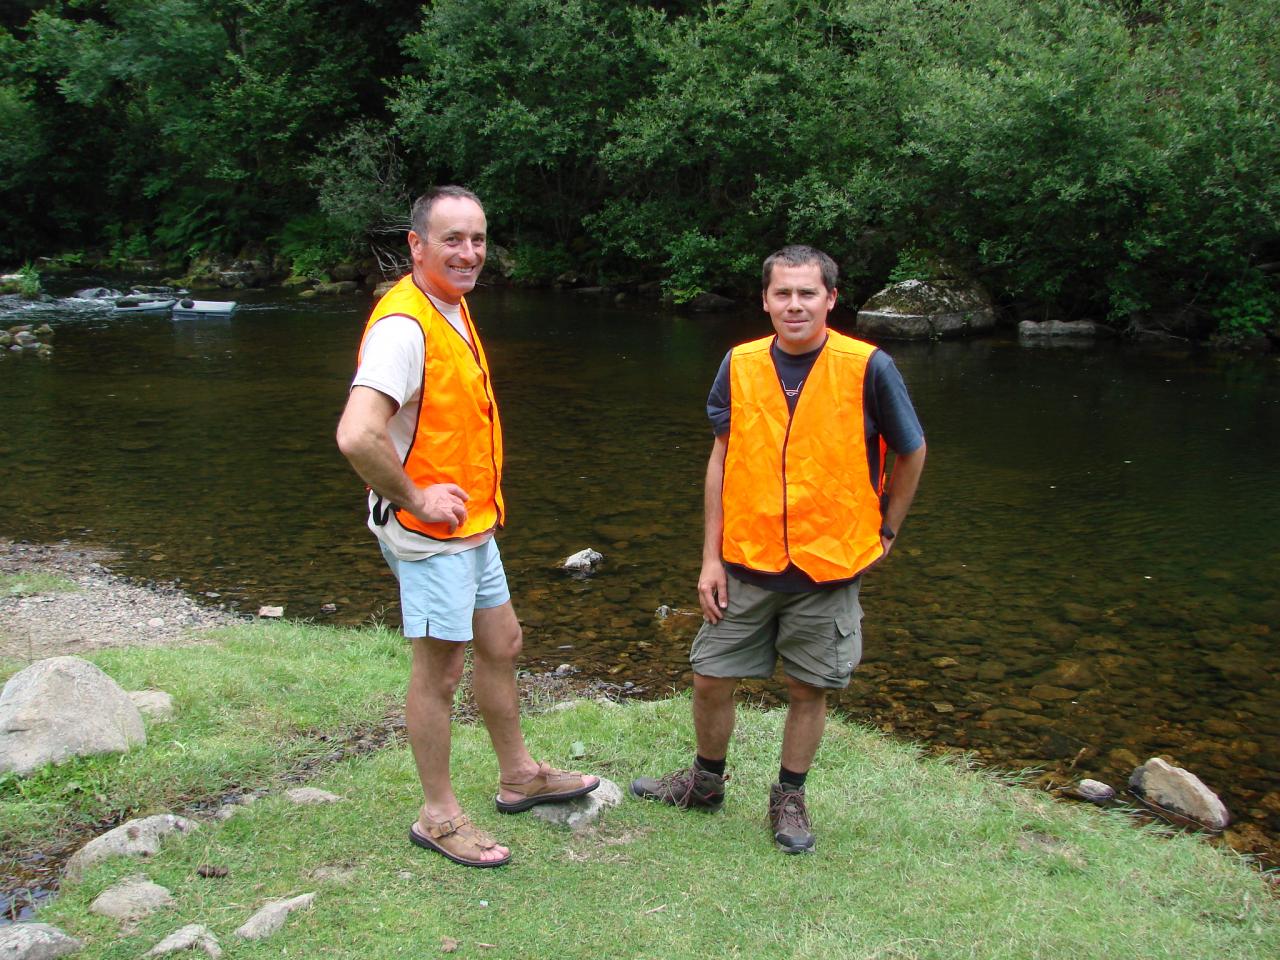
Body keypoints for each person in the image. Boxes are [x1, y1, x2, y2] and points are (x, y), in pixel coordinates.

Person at [632, 244, 926, 854]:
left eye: (807, 293)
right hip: (744, 562)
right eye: (783, 293)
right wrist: (709, 559)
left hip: (829, 567)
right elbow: (721, 459)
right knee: (710, 675)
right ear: (765, 300)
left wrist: (886, 530)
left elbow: (911, 450)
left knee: (808, 688)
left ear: (830, 299)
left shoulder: (869, 366)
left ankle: (789, 796)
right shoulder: (738, 364)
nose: (795, 304)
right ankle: (705, 783)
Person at [336, 186, 598, 868]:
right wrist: (415, 497)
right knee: (440, 671)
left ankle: (518, 777)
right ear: (416, 245)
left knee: (502, 642)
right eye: (452, 239)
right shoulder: (404, 327)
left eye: (478, 238)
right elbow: (357, 436)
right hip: (431, 534)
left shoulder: (450, 305)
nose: (469, 252)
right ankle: (439, 816)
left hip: (472, 526)